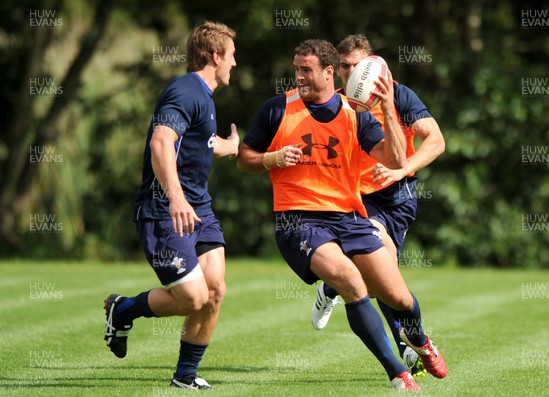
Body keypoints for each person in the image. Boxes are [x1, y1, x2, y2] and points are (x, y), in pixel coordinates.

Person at [237, 38, 446, 391]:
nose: (299, 77)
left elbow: (395, 160)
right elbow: (245, 158)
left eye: (306, 70)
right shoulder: (277, 109)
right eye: (296, 69)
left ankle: (420, 341)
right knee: (351, 280)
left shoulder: (356, 113)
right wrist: (272, 159)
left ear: (327, 72)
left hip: (349, 216)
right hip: (298, 219)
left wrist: (389, 106)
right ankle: (399, 373)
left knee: (398, 297)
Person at [103, 21, 238, 390]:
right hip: (164, 210)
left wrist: (234, 146)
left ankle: (185, 376)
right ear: (215, 56)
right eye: (232, 56)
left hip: (201, 210)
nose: (235, 64)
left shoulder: (204, 98)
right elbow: (161, 142)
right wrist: (176, 197)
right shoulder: (185, 90)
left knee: (215, 291)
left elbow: (204, 145)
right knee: (193, 297)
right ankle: (124, 309)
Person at [311, 34, 446, 378]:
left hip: (397, 198)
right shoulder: (336, 103)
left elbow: (437, 139)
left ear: (373, 65)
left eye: (357, 65)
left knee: (383, 281)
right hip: (357, 198)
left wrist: (404, 168)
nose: (350, 72)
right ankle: (406, 350)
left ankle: (331, 286)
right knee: (381, 269)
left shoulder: (399, 95)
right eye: (344, 66)